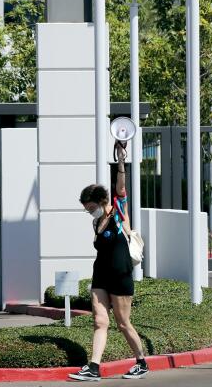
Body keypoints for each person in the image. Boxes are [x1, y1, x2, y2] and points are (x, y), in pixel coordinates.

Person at [69, 143, 148, 382]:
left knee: (123, 324)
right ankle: (93, 367)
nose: (90, 212)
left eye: (91, 208)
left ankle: (141, 362)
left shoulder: (118, 211)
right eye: (86, 210)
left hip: (121, 276)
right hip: (100, 275)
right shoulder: (96, 223)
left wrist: (121, 162)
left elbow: (121, 188)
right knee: (99, 321)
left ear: (102, 201)